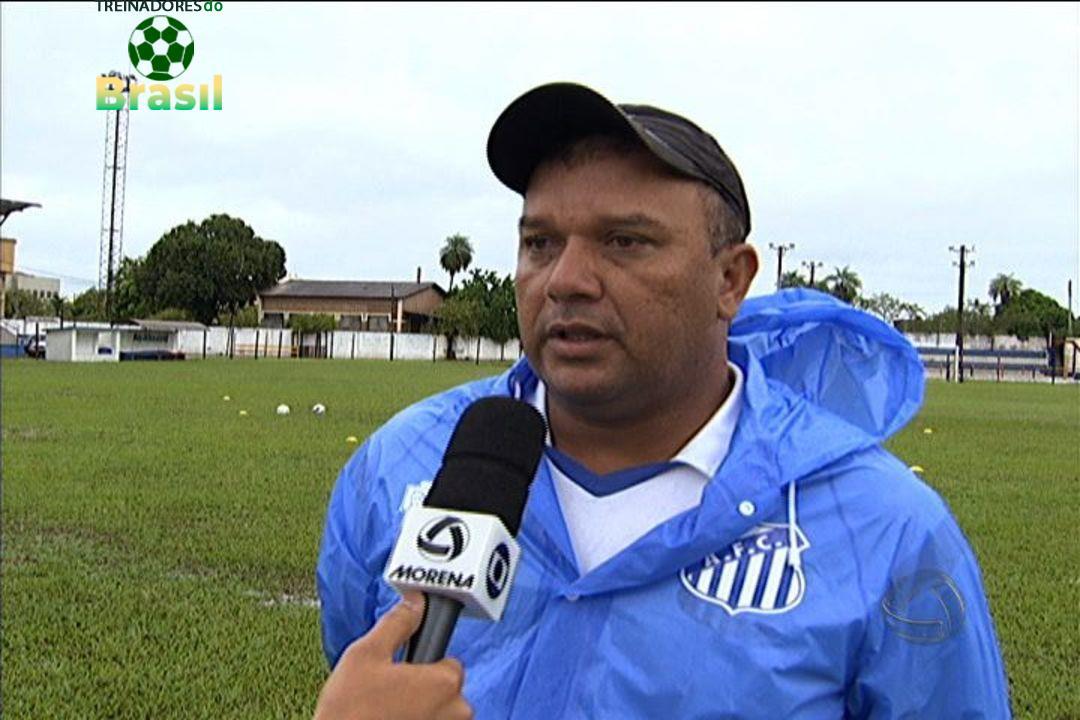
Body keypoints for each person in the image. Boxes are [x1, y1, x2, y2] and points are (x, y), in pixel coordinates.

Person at [314, 82, 1011, 719]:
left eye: (625, 242)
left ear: (730, 280)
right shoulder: (401, 465)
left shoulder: (885, 531)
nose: (566, 279)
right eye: (540, 242)